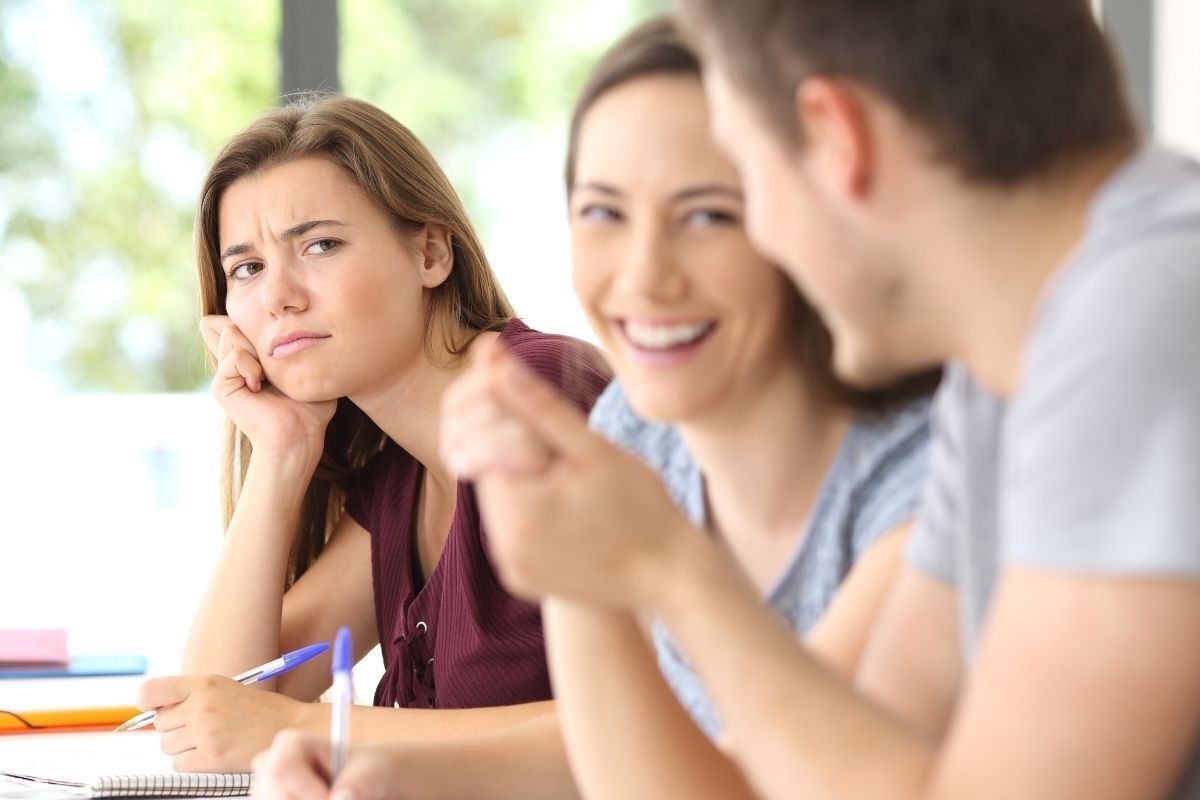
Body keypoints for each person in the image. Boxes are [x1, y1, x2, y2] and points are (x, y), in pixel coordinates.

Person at [414, 1, 1200, 798]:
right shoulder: (1001, 372)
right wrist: (584, 560)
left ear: (835, 139)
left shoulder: (1143, 316)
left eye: (738, 191)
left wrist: (667, 567)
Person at [248, 19, 936, 800]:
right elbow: (620, 758)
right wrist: (368, 772)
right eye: (604, 213)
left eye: (709, 213)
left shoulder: (924, 482)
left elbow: (768, 776)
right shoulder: (637, 433)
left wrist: (658, 562)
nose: (644, 276)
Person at [132, 95, 611, 775]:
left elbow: (656, 723)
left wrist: (302, 728)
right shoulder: (400, 471)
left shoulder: (538, 399)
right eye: (247, 268)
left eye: (319, 244)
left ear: (431, 253)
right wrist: (281, 452)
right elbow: (220, 710)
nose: (278, 297)